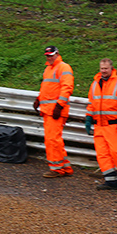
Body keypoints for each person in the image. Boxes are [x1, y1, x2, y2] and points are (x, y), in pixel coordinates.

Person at [85, 59, 117, 191]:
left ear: (112, 68)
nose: (103, 71)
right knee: (102, 154)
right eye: (102, 68)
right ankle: (110, 181)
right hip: (99, 126)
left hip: (113, 125)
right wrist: (88, 119)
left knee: (116, 152)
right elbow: (91, 104)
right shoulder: (95, 84)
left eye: (106, 68)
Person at [33, 46, 74, 178]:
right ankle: (65, 167)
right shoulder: (48, 69)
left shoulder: (64, 67)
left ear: (57, 54)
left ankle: (57, 169)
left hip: (55, 111)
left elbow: (67, 88)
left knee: (52, 140)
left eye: (51, 55)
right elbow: (47, 87)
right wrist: (39, 99)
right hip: (48, 110)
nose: (49, 57)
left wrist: (59, 106)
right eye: (47, 55)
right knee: (54, 140)